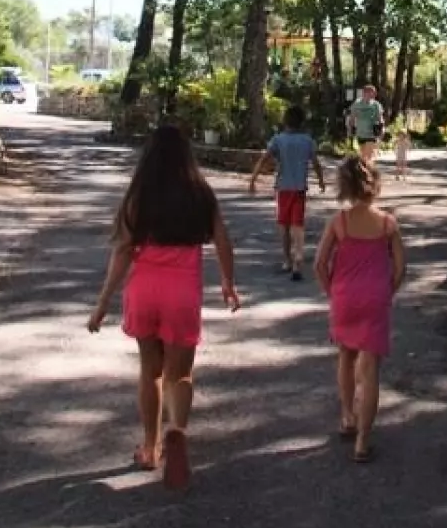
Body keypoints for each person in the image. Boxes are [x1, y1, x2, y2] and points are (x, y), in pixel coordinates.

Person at [87, 123, 240, 490]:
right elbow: (223, 240)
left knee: (150, 371)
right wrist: (228, 282)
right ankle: (177, 432)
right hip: (182, 294)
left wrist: (103, 302)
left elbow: (123, 250)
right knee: (180, 374)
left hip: (144, 291)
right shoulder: (200, 193)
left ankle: (150, 447)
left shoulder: (139, 195)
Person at [314, 155, 406, 464]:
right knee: (371, 370)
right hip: (375, 298)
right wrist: (387, 292)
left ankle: (347, 416)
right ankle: (363, 443)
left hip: (344, 297)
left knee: (345, 355)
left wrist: (332, 293)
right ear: (375, 185)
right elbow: (400, 267)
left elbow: (319, 264)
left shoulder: (338, 222)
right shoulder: (387, 223)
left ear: (345, 186)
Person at [249, 104, 325, 281]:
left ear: (285, 121)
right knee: (298, 225)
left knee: (283, 224)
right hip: (300, 188)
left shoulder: (278, 140)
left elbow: (264, 159)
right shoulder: (307, 141)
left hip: (283, 188)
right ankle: (298, 259)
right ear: (302, 122)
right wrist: (321, 180)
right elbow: (316, 163)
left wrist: (253, 179)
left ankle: (287, 260)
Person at [350, 84, 384, 161]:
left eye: (374, 93)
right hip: (360, 133)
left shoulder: (376, 105)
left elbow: (380, 119)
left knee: (368, 156)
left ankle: (368, 167)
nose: (374, 95)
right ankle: (367, 167)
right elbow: (352, 118)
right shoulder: (357, 104)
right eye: (372, 93)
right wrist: (351, 130)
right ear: (364, 93)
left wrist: (382, 129)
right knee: (363, 157)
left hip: (372, 134)